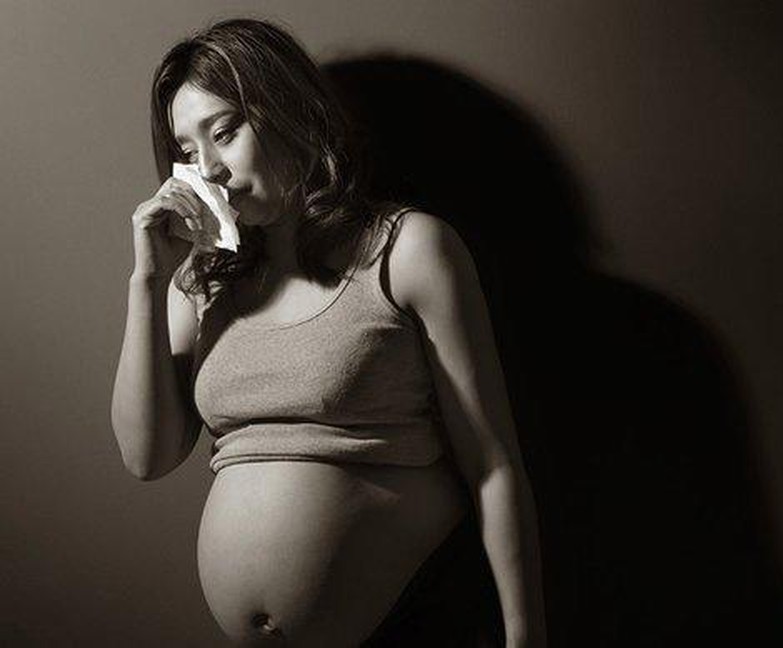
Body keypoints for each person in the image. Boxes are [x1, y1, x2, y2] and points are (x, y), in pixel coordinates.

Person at [110, 18, 547, 647]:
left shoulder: (407, 249)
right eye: (189, 152)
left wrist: (525, 637)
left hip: (418, 620)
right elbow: (145, 457)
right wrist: (148, 281)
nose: (210, 169)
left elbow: (493, 464)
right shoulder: (201, 285)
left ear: (288, 110)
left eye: (225, 132)